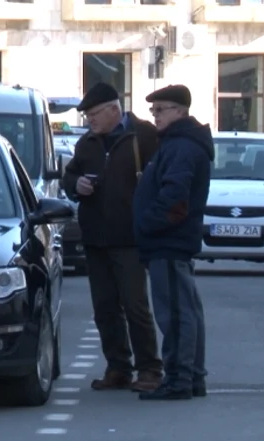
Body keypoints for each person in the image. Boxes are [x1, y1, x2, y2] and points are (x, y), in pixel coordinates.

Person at [62, 82, 163, 392]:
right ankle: (117, 366)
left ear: (113, 110)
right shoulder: (88, 143)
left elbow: (160, 178)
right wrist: (75, 184)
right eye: (87, 116)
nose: (89, 120)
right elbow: (69, 175)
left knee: (135, 305)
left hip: (130, 237)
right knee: (104, 307)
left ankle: (149, 369)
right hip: (95, 237)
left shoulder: (143, 136)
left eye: (93, 114)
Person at [132, 84, 213, 400]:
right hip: (170, 243)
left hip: (168, 243)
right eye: (153, 111)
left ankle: (179, 380)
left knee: (176, 315)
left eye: (161, 109)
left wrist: (147, 223)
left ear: (180, 111)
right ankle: (191, 377)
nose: (155, 116)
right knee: (186, 311)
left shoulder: (181, 147)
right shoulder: (177, 143)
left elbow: (175, 199)